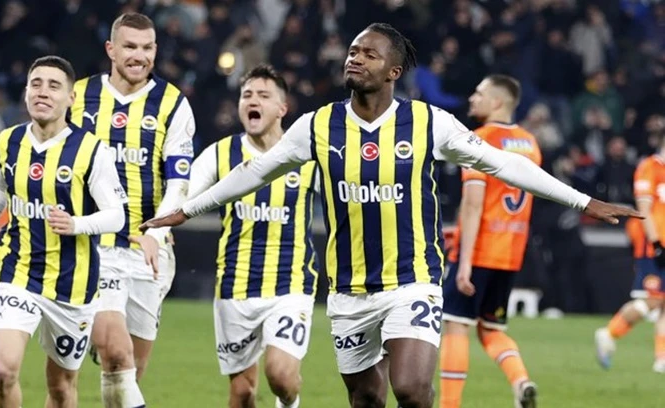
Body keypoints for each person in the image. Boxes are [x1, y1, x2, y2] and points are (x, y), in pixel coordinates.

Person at [141, 23, 640, 408]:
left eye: (368, 54)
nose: (355, 59)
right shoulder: (317, 126)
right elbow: (254, 172)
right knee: (366, 398)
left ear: (393, 72)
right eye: (353, 51)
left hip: (412, 280)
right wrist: (187, 209)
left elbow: (504, 164)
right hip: (349, 291)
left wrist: (583, 201)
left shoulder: (427, 122)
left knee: (412, 390)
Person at [0, 55, 127, 408]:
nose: (43, 92)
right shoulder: (8, 141)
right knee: (3, 372)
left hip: (72, 284)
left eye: (54, 86)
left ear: (71, 98)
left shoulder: (90, 150)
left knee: (62, 388)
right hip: (17, 271)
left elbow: (117, 216)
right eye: (36, 84)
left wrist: (77, 224)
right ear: (25, 92)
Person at [69, 12, 196, 407]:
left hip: (148, 251)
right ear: (111, 49)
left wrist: (156, 233)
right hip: (95, 246)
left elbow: (178, 183)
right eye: (129, 47)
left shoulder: (173, 104)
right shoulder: (78, 97)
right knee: (116, 353)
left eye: (146, 48)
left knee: (129, 373)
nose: (139, 56)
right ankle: (104, 336)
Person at [189, 64, 319, 408]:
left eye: (263, 95)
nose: (252, 101)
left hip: (289, 286)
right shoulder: (221, 154)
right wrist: (159, 228)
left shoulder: (306, 157)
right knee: (243, 392)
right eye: (247, 95)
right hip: (235, 287)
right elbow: (184, 194)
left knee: (281, 376)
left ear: (282, 108)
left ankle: (289, 401)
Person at [439, 75, 541, 408]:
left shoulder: (480, 140)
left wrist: (463, 262)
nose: (472, 98)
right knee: (491, 329)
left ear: (496, 102)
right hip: (510, 252)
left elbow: (473, 204)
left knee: (456, 326)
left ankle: (449, 405)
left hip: (480, 250)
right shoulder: (530, 143)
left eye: (479, 93)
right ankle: (521, 381)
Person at [595, 142, 665, 373]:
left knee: (663, 303)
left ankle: (662, 358)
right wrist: (656, 244)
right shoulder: (650, 167)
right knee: (653, 300)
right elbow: (644, 209)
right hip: (653, 246)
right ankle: (609, 333)